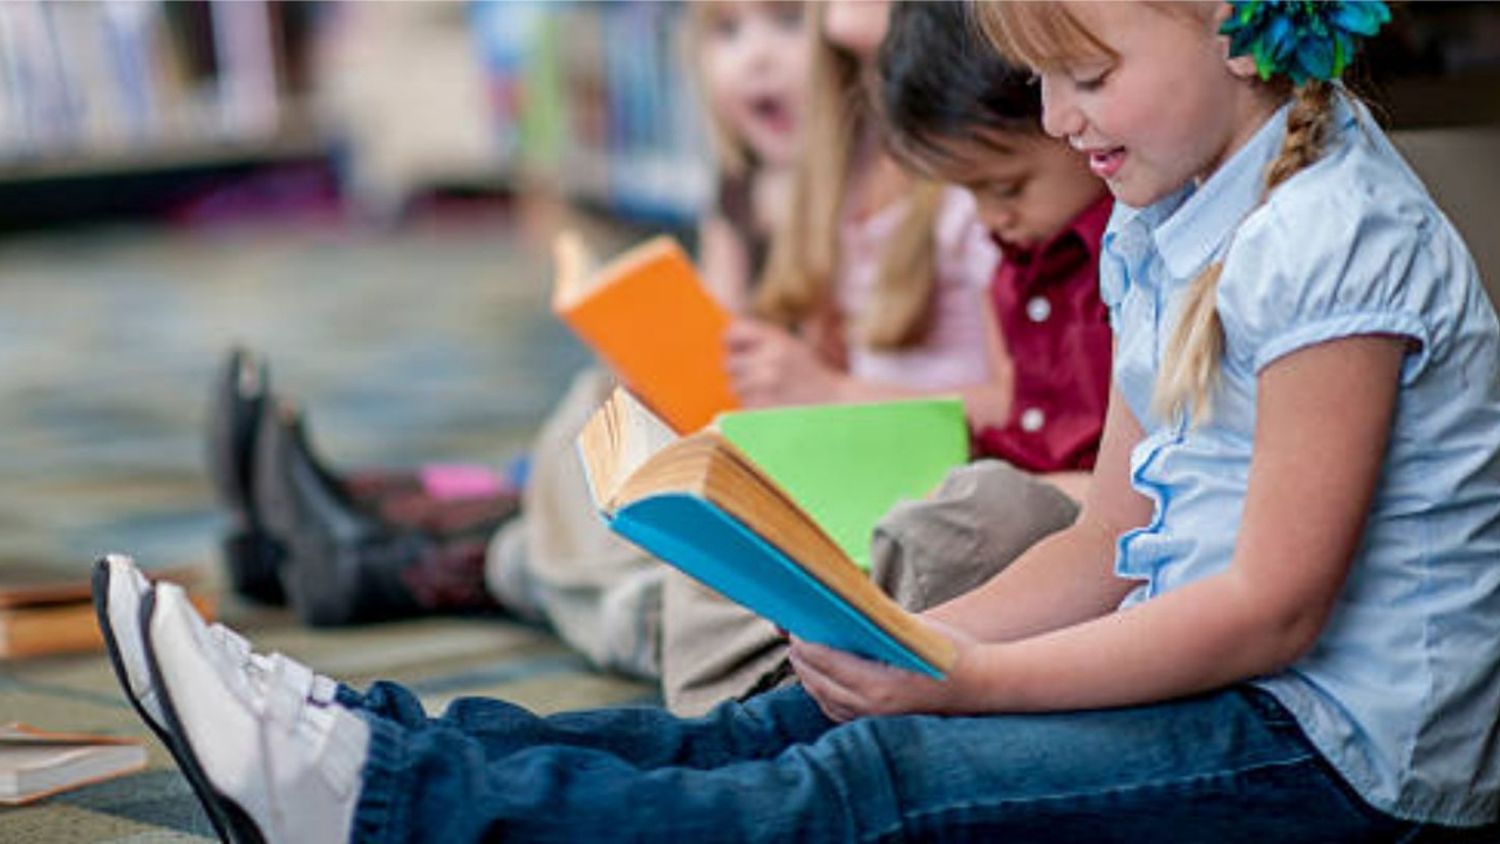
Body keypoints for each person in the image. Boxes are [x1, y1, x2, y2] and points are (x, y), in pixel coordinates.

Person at [101, 0, 1500, 838]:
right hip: (1235, 695)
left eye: (1088, 74)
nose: (1063, 120)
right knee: (775, 729)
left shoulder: (1332, 235)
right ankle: (369, 745)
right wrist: (908, 637)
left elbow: (1271, 612)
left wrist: (968, 680)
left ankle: (370, 810)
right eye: (1045, 80)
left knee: (869, 786)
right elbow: (1117, 529)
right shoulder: (1165, 212)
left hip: (1343, 761)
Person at [209, 0, 814, 642]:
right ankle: (346, 517)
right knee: (579, 439)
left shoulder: (835, 200)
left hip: (764, 465)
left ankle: (369, 546)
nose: (757, 57)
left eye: (788, 23)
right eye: (728, 33)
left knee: (563, 501)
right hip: (727, 437)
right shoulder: (740, 189)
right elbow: (720, 334)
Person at [659, 0, 1115, 715]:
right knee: (722, 496)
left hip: (999, 499)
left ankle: (783, 674)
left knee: (968, 512)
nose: (993, 218)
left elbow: (1094, 479)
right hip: (950, 479)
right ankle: (766, 668)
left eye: (1003, 191)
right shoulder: (1018, 244)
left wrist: (834, 392)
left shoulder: (1088, 239)